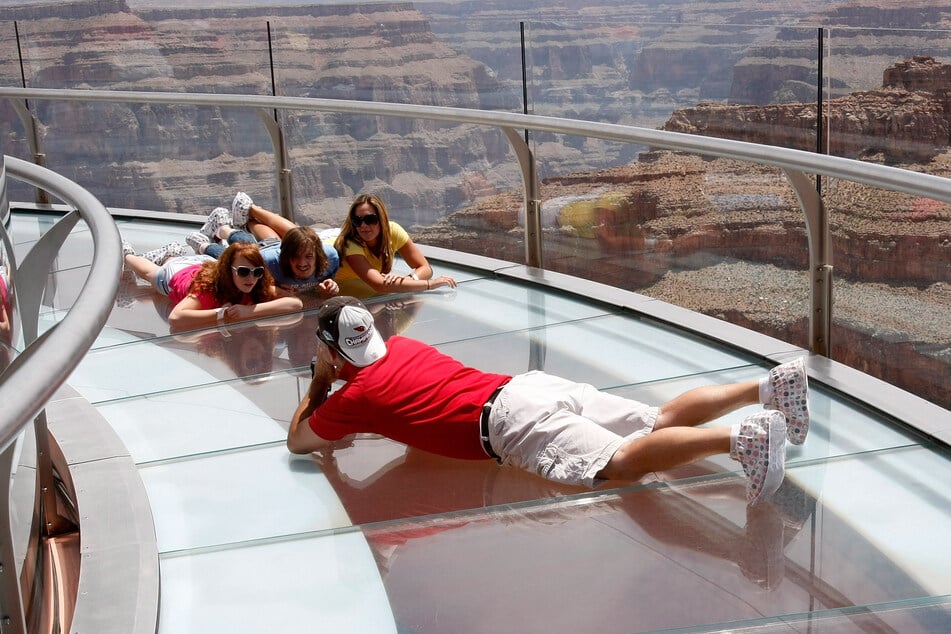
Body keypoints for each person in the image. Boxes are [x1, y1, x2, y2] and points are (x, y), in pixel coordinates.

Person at [287, 296, 811, 505]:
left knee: (620, 463)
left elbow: (300, 442)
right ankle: (772, 387)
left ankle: (744, 440)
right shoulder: (403, 344)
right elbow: (416, 406)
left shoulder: (354, 396)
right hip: (525, 387)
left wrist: (318, 380)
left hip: (508, 425)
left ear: (334, 350)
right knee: (659, 418)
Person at [122, 239, 303, 332]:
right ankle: (127, 254)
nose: (251, 278)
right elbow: (176, 317)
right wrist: (221, 314)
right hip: (177, 273)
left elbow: (295, 304)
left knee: (172, 262)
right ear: (229, 270)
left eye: (257, 272)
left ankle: (172, 252)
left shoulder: (253, 285)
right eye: (243, 271)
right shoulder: (207, 290)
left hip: (206, 262)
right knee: (151, 274)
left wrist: (249, 311)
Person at [185, 192, 339, 298]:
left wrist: (331, 285)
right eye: (296, 257)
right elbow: (250, 286)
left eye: (309, 256)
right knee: (237, 257)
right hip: (266, 249)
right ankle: (208, 239)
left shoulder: (330, 258)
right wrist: (275, 289)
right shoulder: (267, 261)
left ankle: (230, 224)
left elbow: (327, 281)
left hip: (276, 244)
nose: (302, 263)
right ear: (286, 257)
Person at [333, 193, 457, 297]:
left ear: (381, 219)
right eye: (357, 221)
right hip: (337, 290)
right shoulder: (350, 243)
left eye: (370, 219)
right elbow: (380, 285)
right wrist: (430, 284)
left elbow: (425, 268)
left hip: (364, 288)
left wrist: (407, 280)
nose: (363, 225)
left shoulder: (393, 231)